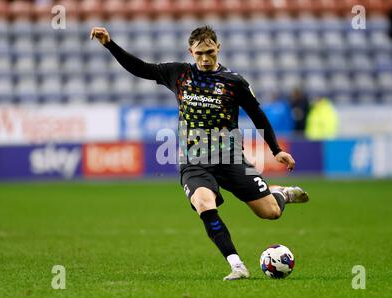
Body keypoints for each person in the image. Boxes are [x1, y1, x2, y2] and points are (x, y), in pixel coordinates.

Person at [90, 25, 309, 280]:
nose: (205, 59)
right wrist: (109, 44)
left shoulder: (235, 82)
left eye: (210, 52)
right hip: (194, 161)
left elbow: (258, 116)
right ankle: (236, 265)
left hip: (231, 158)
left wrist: (276, 150)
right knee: (204, 202)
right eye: (199, 53)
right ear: (190, 52)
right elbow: (141, 68)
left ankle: (279, 193)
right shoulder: (179, 74)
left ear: (218, 48)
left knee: (270, 212)